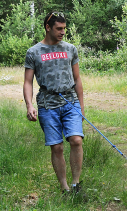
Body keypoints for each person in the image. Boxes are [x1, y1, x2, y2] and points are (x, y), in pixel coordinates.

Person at [23, 12, 84, 194]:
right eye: (59, 28)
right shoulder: (33, 52)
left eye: (64, 28)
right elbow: (27, 81)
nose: (63, 32)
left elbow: (77, 78)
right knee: (56, 146)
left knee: (76, 140)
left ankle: (75, 184)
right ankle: (64, 187)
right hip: (47, 104)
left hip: (70, 101)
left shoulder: (70, 49)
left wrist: (81, 106)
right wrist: (29, 105)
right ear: (48, 28)